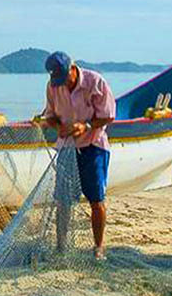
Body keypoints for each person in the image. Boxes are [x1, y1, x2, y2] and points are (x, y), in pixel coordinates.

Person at [41, 51, 116, 259]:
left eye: (64, 78)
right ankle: (61, 246)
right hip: (67, 147)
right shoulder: (53, 86)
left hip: (93, 146)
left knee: (96, 199)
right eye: (56, 79)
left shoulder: (95, 82)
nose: (61, 84)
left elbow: (108, 115)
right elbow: (50, 116)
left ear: (73, 69)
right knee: (63, 199)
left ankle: (99, 246)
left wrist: (86, 126)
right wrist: (59, 127)